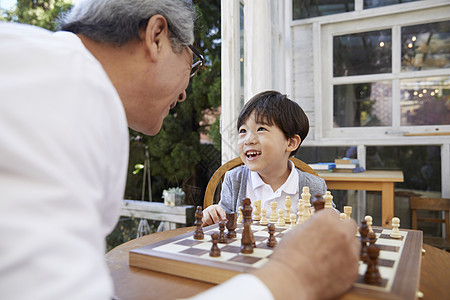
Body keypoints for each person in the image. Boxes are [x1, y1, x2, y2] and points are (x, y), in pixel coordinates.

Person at [0, 1, 359, 300]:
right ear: (156, 36)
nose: (186, 92)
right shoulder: (65, 91)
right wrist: (291, 278)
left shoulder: (52, 72)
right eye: (193, 63)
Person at [203, 91, 333, 226]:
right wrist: (213, 213)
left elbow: (333, 219)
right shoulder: (234, 179)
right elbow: (223, 217)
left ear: (291, 143)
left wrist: (329, 215)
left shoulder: (314, 185)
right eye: (243, 131)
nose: (248, 140)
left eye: (261, 129)